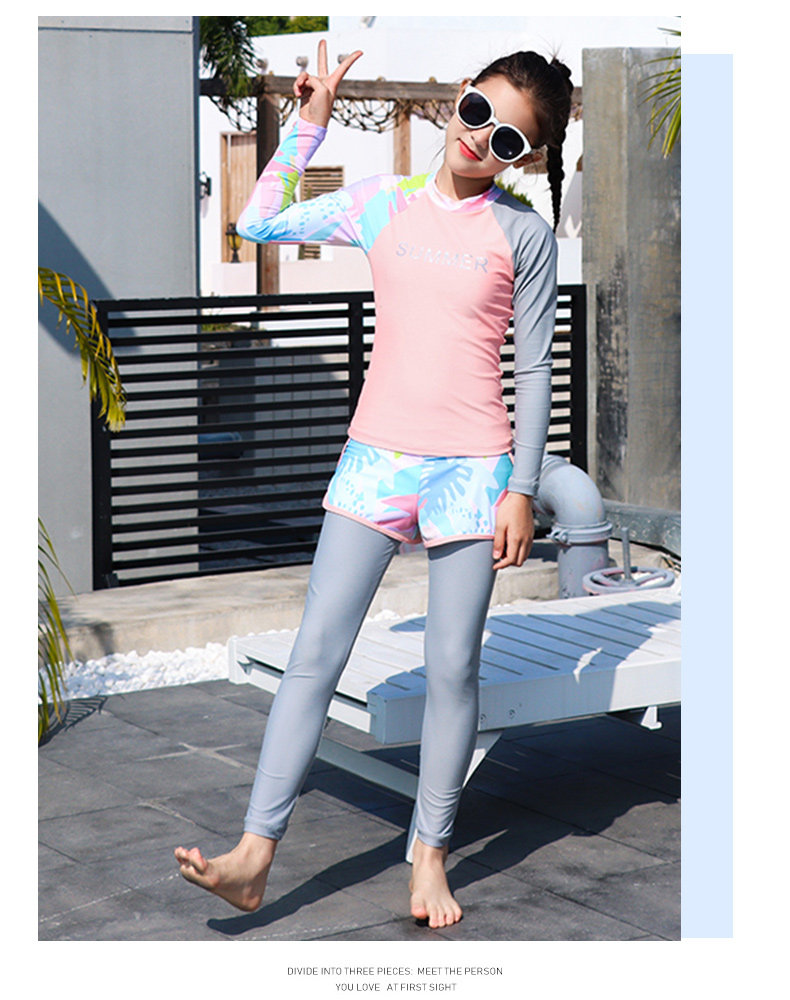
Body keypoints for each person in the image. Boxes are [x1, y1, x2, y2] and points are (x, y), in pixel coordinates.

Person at [176, 39, 573, 930]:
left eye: (508, 139)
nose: (481, 140)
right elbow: (258, 221)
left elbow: (536, 367)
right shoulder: (380, 203)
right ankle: (252, 857)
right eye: (478, 113)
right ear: (458, 99)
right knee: (316, 653)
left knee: (453, 667)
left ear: (526, 157)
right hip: (376, 460)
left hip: (473, 472)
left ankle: (429, 855)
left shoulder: (523, 235)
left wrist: (522, 486)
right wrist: (310, 124)